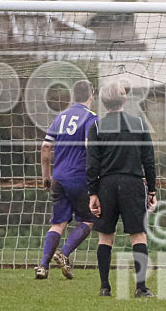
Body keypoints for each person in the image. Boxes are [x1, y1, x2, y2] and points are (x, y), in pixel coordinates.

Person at [86, 82, 157, 298]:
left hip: (106, 184)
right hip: (133, 184)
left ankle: (105, 287)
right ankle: (141, 287)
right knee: (138, 235)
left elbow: (92, 164)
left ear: (104, 102)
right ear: (124, 100)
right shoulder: (138, 123)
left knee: (105, 236)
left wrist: (93, 193)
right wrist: (152, 189)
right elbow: (149, 160)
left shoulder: (96, 127)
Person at [35, 80, 98, 280]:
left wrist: (46, 175)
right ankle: (64, 253)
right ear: (92, 95)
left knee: (58, 223)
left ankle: (43, 267)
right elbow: (89, 146)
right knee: (88, 220)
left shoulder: (60, 117)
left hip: (59, 177)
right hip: (79, 177)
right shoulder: (91, 118)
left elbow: (45, 147)